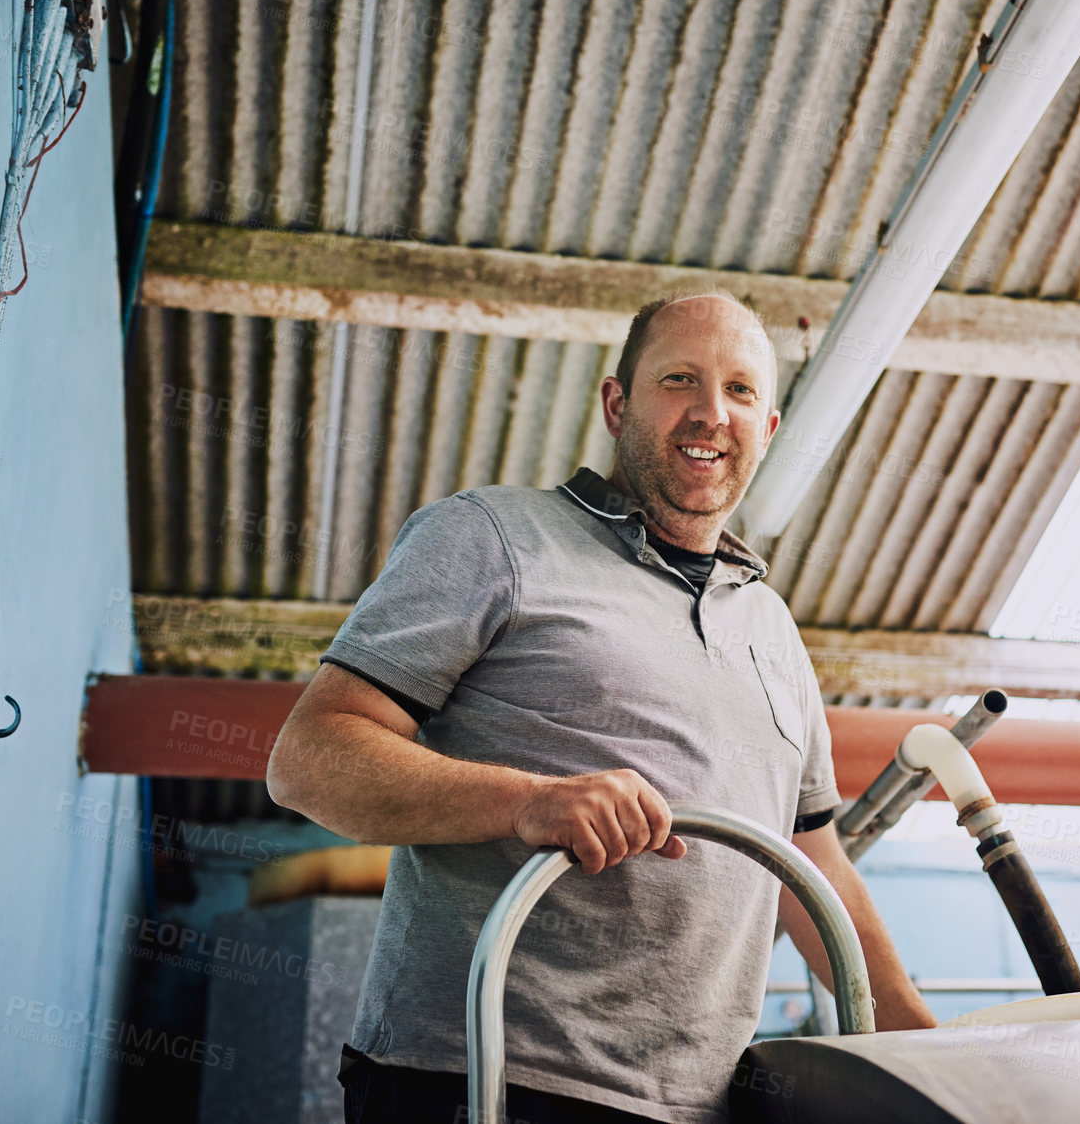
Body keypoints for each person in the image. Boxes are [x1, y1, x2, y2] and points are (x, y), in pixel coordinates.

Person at [267, 291, 936, 1124]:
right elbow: (309, 760)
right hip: (483, 1077)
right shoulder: (495, 535)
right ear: (617, 403)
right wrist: (529, 802)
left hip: (694, 1104)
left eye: (740, 392)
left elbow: (810, 873)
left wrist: (929, 1051)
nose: (709, 412)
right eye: (680, 379)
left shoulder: (774, 631)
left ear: (766, 430)